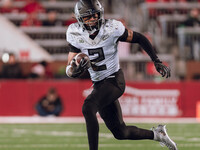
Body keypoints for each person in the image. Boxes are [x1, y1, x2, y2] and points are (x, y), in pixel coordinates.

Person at [65, 1, 177, 150]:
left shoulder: (112, 28)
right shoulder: (74, 33)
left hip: (114, 80)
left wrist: (156, 61)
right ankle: (158, 134)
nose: (93, 19)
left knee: (88, 107)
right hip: (99, 84)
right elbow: (70, 66)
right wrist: (74, 69)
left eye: (95, 15)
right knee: (120, 132)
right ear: (80, 19)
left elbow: (140, 38)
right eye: (88, 17)